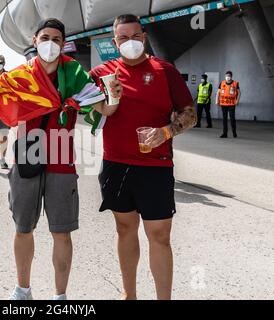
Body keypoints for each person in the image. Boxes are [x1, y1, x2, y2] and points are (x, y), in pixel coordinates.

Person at [0, 18, 114, 300]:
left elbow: (103, 109)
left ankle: (60, 296)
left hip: (61, 155)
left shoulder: (75, 74)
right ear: (34, 40)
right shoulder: (19, 76)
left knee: (62, 232)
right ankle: (22, 290)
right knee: (23, 228)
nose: (50, 44)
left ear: (64, 44)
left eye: (56, 39)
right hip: (26, 151)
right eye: (45, 37)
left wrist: (114, 96)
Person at [89, 14, 196, 300]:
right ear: (114, 42)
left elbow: (190, 112)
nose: (130, 42)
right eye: (123, 38)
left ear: (144, 37)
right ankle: (129, 294)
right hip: (116, 165)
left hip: (156, 167)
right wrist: (101, 105)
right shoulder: (103, 73)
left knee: (159, 235)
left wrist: (167, 131)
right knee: (125, 230)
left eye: (135, 36)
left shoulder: (164, 71)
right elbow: (75, 100)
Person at [216, 71, 240, 138]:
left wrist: (237, 100)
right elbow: (218, 92)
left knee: (232, 119)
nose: (227, 77)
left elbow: (239, 93)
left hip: (232, 104)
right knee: (224, 119)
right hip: (223, 104)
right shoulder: (222, 83)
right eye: (226, 76)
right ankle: (224, 133)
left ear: (231, 76)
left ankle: (234, 132)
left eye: (229, 76)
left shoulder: (235, 83)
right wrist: (216, 100)